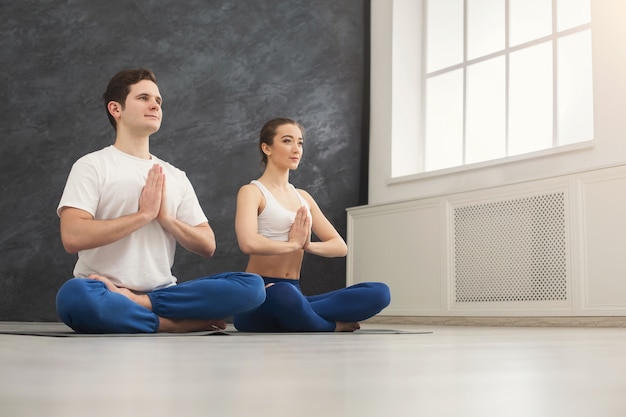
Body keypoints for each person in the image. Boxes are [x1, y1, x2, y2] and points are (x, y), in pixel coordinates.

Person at [55, 68, 265, 333]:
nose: (155, 105)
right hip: (101, 290)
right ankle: (168, 325)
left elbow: (207, 244)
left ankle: (140, 305)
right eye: (143, 98)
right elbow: (72, 237)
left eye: (158, 100)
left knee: (253, 287)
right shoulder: (92, 165)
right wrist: (142, 215)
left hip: (164, 295)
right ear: (116, 109)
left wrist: (166, 218)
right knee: (74, 297)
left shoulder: (175, 175)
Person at [233, 118, 390, 332]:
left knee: (380, 292)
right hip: (260, 294)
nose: (296, 148)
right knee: (283, 294)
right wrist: (293, 244)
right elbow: (248, 242)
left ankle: (299, 316)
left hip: (294, 294)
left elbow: (339, 247)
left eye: (300, 143)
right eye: (287, 141)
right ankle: (329, 326)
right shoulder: (252, 192)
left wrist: (307, 245)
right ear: (266, 147)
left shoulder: (303, 197)